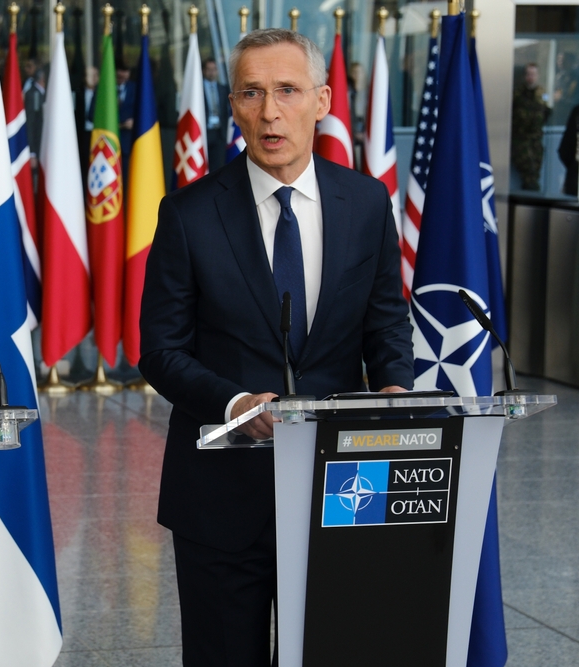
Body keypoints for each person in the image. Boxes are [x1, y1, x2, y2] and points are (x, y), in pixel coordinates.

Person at [138, 29, 413, 666]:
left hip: (340, 491)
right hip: (219, 499)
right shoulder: (188, 212)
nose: (270, 112)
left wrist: (396, 384)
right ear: (231, 104)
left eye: (287, 91)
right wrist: (233, 400)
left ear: (321, 101)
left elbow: (386, 324)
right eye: (252, 93)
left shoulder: (367, 202)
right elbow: (161, 349)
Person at [512, 63, 551, 191]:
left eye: (533, 74)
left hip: (536, 139)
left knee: (535, 171)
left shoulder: (542, 93)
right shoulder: (517, 94)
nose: (531, 77)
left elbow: (547, 111)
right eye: (528, 74)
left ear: (537, 76)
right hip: (521, 139)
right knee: (528, 172)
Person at [202, 57, 230, 169]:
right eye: (209, 69)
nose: (212, 72)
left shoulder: (223, 89)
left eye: (214, 69)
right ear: (204, 71)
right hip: (204, 133)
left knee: (218, 167)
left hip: (219, 133)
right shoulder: (198, 89)